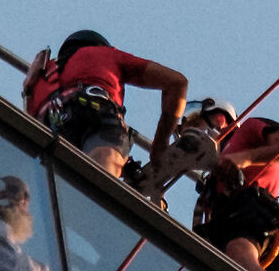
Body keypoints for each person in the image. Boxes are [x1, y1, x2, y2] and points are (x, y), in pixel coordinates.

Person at [182, 99, 279, 271]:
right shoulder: (213, 182)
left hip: (253, 221)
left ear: (220, 119)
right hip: (248, 237)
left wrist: (246, 158)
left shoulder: (248, 131)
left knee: (238, 252)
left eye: (196, 125)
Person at [22, 29, 188, 180]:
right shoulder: (104, 54)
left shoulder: (38, 80)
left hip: (51, 128)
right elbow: (177, 82)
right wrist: (160, 143)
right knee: (101, 180)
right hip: (96, 113)